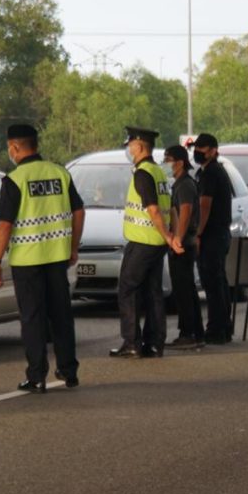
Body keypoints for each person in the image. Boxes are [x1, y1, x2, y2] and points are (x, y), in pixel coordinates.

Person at [0, 124, 85, 392]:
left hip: (27, 261)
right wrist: (73, 246)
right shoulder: (60, 173)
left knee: (32, 318)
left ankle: (37, 376)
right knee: (61, 315)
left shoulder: (15, 180)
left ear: (15, 147)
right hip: (57, 258)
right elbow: (79, 212)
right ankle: (69, 372)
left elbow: (5, 225)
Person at [110, 127, 182, 359]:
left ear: (139, 147)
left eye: (130, 146)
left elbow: (153, 210)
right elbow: (171, 208)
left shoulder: (143, 173)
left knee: (127, 289)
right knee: (153, 292)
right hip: (157, 242)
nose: (129, 150)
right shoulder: (159, 172)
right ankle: (154, 343)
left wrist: (169, 236)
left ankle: (131, 342)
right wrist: (172, 236)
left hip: (143, 241)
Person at [189, 132, 234, 345]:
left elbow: (204, 205)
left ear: (213, 150)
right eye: (196, 148)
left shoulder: (210, 174)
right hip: (220, 233)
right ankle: (224, 327)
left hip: (212, 235)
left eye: (202, 149)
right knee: (219, 281)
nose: (198, 152)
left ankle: (216, 329)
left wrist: (197, 233)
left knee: (212, 283)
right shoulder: (216, 171)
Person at [163, 144, 204, 350]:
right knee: (186, 290)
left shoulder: (185, 185)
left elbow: (185, 211)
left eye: (168, 160)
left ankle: (188, 333)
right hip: (185, 242)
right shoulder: (180, 183)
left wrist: (177, 237)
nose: (166, 164)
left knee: (183, 291)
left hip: (184, 244)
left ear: (179, 162)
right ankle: (195, 332)